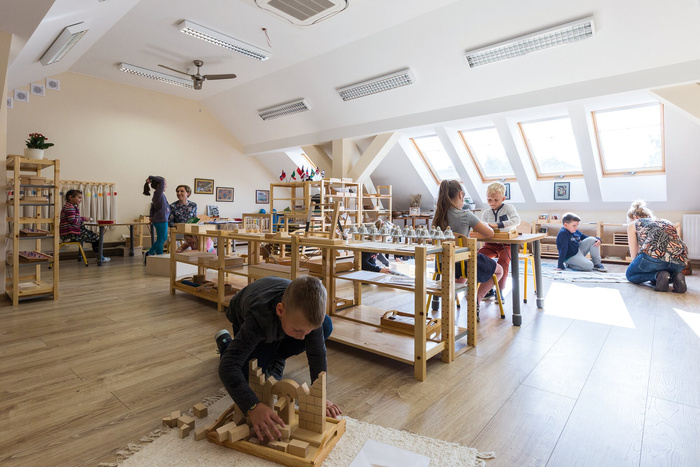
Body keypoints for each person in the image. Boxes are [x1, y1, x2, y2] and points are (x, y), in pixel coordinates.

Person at [216, 276, 341, 441]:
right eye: (298, 330)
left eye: (308, 331)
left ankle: (277, 355)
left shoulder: (307, 316)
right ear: (280, 310)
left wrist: (319, 396)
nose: (302, 337)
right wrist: (253, 407)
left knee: (325, 326)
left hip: (280, 324)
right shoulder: (259, 319)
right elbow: (228, 366)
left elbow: (317, 353)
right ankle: (226, 344)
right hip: (245, 315)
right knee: (249, 377)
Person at [432, 180, 503, 310]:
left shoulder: (437, 217)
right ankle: (477, 298)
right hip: (463, 264)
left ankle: (450, 298)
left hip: (441, 265)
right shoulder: (466, 215)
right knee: (499, 270)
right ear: (460, 195)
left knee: (461, 267)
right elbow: (490, 234)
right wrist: (485, 224)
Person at [625, 200, 688, 292]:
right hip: (680, 261)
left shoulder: (634, 224)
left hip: (655, 257)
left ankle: (658, 275)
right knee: (661, 275)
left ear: (635, 217)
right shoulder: (666, 221)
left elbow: (634, 256)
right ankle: (675, 276)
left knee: (630, 275)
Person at [478, 181, 521, 294]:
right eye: (489, 200)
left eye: (496, 200)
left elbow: (517, 220)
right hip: (490, 244)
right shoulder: (486, 213)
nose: (492, 202)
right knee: (477, 259)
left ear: (503, 198)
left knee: (504, 262)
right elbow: (482, 227)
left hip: (506, 244)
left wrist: (498, 225)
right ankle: (485, 289)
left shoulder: (509, 208)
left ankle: (499, 291)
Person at [59, 189, 110, 263]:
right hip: (71, 233)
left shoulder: (69, 206)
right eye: (79, 197)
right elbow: (73, 221)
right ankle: (100, 258)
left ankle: (99, 257)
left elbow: (73, 219)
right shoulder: (70, 207)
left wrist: (82, 219)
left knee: (92, 235)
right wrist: (84, 219)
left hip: (69, 232)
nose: (81, 200)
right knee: (96, 238)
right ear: (70, 197)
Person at [143, 175, 169, 259]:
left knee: (163, 238)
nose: (166, 186)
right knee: (161, 240)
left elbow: (152, 207)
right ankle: (159, 257)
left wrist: (151, 217)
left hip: (161, 220)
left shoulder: (159, 195)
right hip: (161, 220)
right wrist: (150, 177)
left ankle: (149, 253)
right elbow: (161, 180)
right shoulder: (158, 193)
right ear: (159, 185)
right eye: (165, 184)